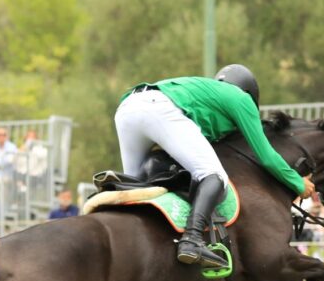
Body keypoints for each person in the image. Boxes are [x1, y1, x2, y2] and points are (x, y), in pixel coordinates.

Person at [114, 65, 313, 268]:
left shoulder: (206, 93)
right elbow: (267, 156)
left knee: (134, 189)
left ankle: (117, 212)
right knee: (214, 175)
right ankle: (192, 239)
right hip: (158, 108)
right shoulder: (241, 99)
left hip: (127, 108)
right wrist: (298, 183)